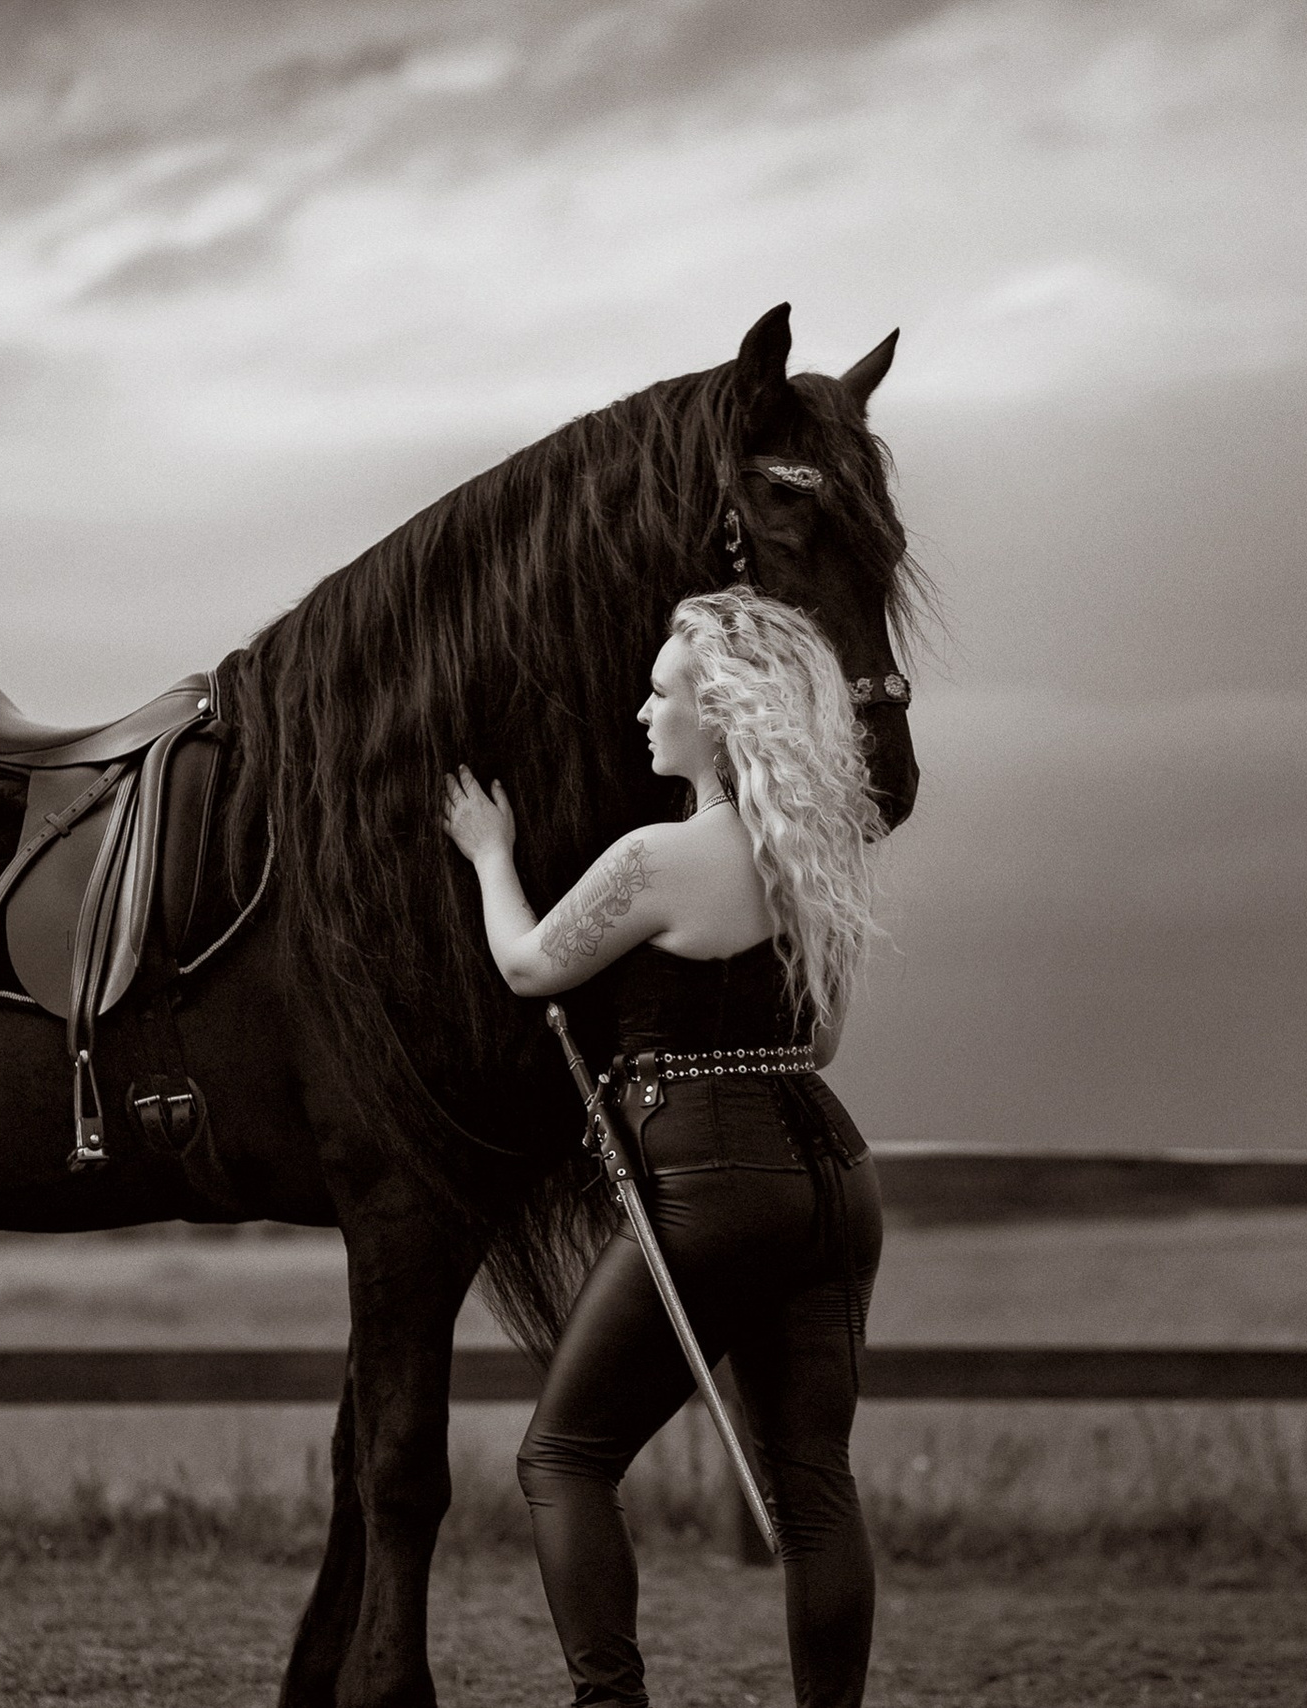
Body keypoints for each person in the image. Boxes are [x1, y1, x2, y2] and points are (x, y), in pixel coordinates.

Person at [442, 585, 888, 1708]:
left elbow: (531, 967)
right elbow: (820, 1039)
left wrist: (489, 853)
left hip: (709, 1180)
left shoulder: (652, 859)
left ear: (718, 714)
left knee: (564, 1457)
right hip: (833, 1174)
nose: (643, 712)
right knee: (814, 1486)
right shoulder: (819, 863)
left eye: (662, 692)